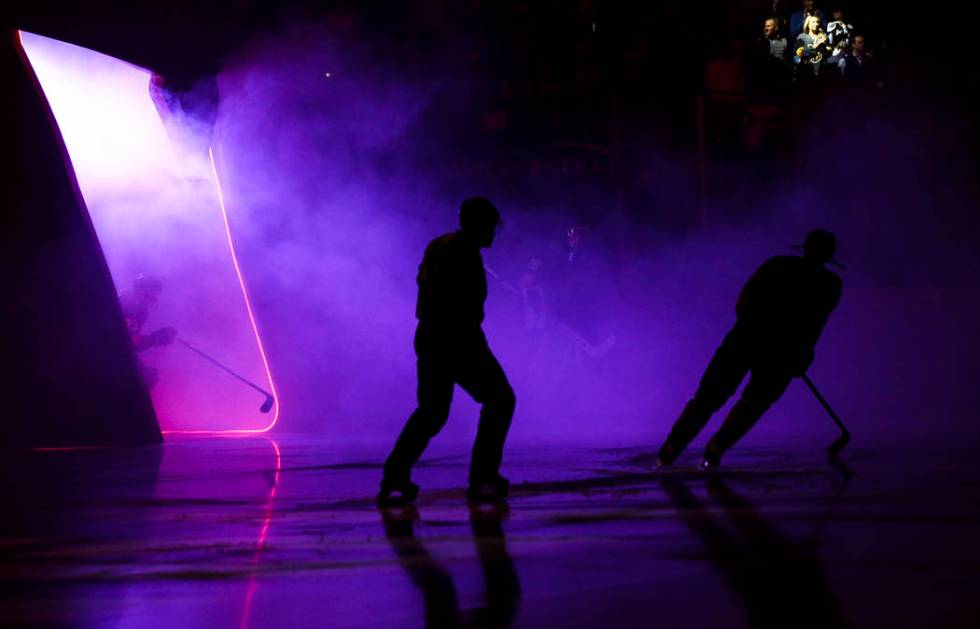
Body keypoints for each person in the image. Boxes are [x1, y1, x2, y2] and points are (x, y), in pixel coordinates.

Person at [656, 230, 843, 469]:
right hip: (774, 350)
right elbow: (815, 323)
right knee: (747, 402)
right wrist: (800, 350)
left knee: (715, 398)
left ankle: (676, 449)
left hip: (749, 341)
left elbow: (746, 302)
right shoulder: (828, 284)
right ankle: (710, 448)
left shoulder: (782, 267)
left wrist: (797, 348)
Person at [380, 197, 517, 504]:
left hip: (432, 336)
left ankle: (395, 473)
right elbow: (458, 304)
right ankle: (483, 476)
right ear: (479, 224)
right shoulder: (462, 252)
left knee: (432, 411)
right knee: (500, 399)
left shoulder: (440, 246)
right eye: (491, 226)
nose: (494, 233)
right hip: (456, 338)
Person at [119, 274, 177, 388]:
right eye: (152, 293)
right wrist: (156, 338)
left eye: (156, 294)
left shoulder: (137, 308)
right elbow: (123, 342)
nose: (155, 298)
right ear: (142, 290)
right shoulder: (130, 304)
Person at [794, 14, 831, 79]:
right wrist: (817, 45)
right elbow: (799, 54)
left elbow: (828, 54)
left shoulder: (823, 36)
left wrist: (826, 45)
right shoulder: (802, 37)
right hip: (806, 72)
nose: (816, 24)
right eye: (813, 22)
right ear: (808, 24)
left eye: (817, 22)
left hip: (821, 72)